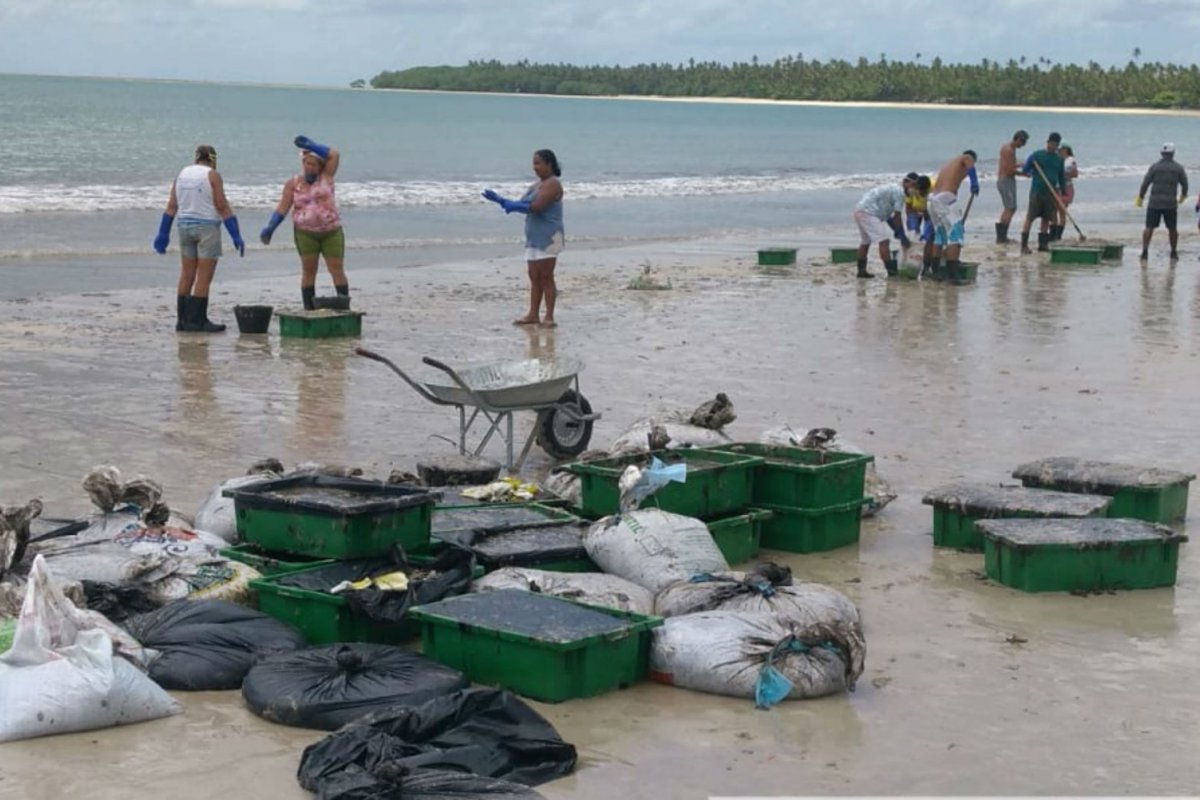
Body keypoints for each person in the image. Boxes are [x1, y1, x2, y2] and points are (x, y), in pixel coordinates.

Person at [152, 144, 245, 333]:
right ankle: (198, 321)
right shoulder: (212, 175)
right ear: (212, 159)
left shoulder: (182, 174)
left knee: (186, 274)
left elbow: (171, 206)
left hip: (184, 227)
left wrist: (163, 234)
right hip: (207, 229)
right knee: (204, 277)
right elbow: (222, 206)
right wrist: (236, 235)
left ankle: (183, 321)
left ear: (196, 158)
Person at [260, 135, 348, 310]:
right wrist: (270, 227)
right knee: (309, 271)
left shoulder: (327, 177)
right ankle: (309, 308)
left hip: (331, 232)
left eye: (314, 164)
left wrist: (312, 145)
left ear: (320, 166)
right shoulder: (293, 184)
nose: (310, 167)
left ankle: (343, 306)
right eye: (307, 163)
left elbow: (335, 155)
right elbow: (283, 208)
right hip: (305, 233)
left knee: (336, 269)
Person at [482, 149, 565, 327]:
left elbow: (536, 207)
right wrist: (501, 200)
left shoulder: (553, 184)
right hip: (534, 237)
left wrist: (509, 204)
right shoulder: (536, 185)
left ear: (549, 164)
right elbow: (523, 203)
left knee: (546, 276)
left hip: (550, 238)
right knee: (534, 276)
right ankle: (533, 314)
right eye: (533, 163)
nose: (534, 167)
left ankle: (549, 316)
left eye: (538, 163)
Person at [851, 173, 928, 278]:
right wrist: (902, 236)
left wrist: (899, 234)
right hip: (868, 213)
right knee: (884, 241)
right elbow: (897, 217)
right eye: (913, 185)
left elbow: (889, 218)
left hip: (860, 210)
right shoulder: (900, 193)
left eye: (916, 186)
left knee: (866, 241)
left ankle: (861, 271)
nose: (915, 189)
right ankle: (892, 272)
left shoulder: (893, 189)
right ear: (905, 182)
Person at [926, 150, 980, 280]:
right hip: (945, 199)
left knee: (940, 235)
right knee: (955, 234)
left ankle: (936, 271)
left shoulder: (950, 164)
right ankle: (953, 273)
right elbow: (970, 166)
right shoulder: (966, 157)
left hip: (932, 200)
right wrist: (974, 182)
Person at [1137, 142, 1188, 261]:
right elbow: (1185, 184)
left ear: (1161, 153)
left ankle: (1145, 251)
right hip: (1170, 204)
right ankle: (1174, 252)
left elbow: (1146, 183)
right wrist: (1183, 196)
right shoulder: (1178, 168)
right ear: (1173, 153)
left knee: (1149, 227)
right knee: (1172, 228)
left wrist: (1140, 197)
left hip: (1154, 203)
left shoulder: (1154, 167)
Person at [1018, 132, 1065, 254]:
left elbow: (1061, 177)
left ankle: (1043, 245)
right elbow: (1025, 170)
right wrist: (1031, 169)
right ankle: (1024, 246)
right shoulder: (1036, 155)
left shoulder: (1059, 160)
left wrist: (1063, 191)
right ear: (1047, 142)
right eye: (1051, 144)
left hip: (1051, 193)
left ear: (1058, 146)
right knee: (1030, 217)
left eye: (1055, 145)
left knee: (1046, 218)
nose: (1053, 146)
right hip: (1037, 191)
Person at [994, 129, 1029, 243]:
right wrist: (1024, 174)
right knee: (1010, 207)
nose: (1022, 145)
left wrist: (1022, 164)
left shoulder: (1009, 148)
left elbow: (1009, 165)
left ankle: (1002, 236)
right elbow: (1009, 170)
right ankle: (1002, 237)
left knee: (1009, 207)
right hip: (1006, 180)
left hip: (1006, 180)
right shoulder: (1008, 150)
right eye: (1022, 142)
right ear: (1018, 139)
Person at [1058, 142, 1078, 238]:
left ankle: (1058, 235)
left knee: (1062, 211)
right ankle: (1054, 233)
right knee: (1054, 211)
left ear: (1065, 149)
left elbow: (1075, 174)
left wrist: (1064, 176)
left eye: (1060, 149)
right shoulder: (1058, 159)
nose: (1058, 151)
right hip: (1057, 188)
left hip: (1066, 188)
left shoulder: (1070, 160)